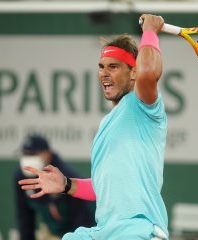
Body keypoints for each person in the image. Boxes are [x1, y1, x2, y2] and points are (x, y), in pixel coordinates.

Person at [18, 13, 169, 240]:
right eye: (101, 67)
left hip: (139, 229)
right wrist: (67, 185)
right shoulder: (107, 124)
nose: (104, 74)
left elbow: (149, 72)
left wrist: (149, 31)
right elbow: (104, 188)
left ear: (133, 73)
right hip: (104, 230)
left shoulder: (143, 106)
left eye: (114, 67)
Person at [14, 134, 96, 240]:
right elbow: (25, 218)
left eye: (33, 154)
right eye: (25, 154)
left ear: (47, 154)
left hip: (82, 231)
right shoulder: (20, 177)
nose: (28, 158)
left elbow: (83, 218)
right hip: (55, 233)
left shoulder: (66, 177)